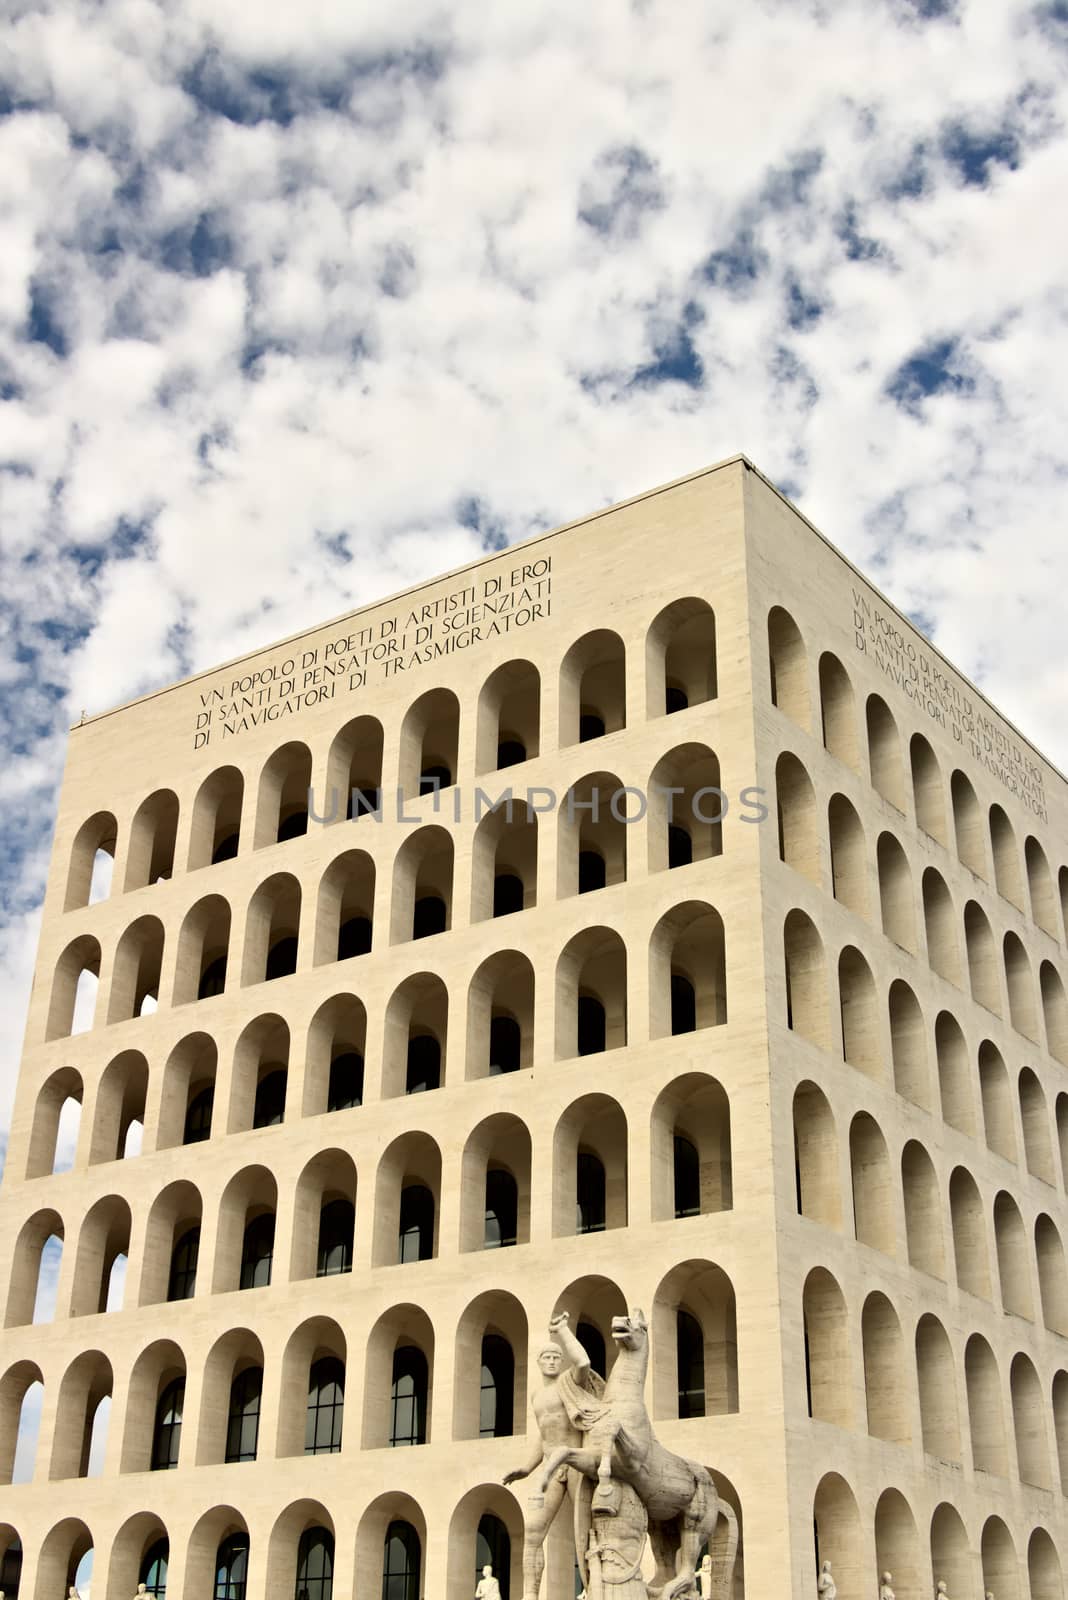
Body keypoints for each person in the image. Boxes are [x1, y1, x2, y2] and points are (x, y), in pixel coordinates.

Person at [504, 1312, 602, 1600]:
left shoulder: (568, 1383)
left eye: (556, 1358)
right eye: (547, 1357)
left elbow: (583, 1362)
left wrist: (562, 1332)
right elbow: (543, 1435)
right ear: (538, 1362)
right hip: (550, 1465)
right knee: (533, 1531)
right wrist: (526, 1467)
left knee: (584, 1530)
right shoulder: (536, 1396)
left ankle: (593, 1591)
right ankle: (530, 1594)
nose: (552, 1361)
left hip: (573, 1464)